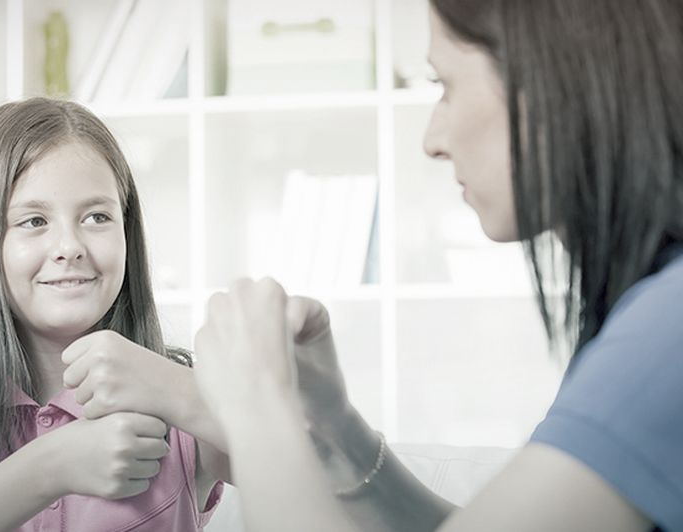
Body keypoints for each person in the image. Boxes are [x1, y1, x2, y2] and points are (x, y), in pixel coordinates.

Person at [192, 1, 683, 531]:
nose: (432, 141)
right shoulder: (651, 312)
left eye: (444, 84)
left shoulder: (668, 328)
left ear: (554, 83)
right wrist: (337, 431)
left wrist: (258, 406)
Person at [0, 97, 229, 531]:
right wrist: (47, 467)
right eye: (33, 221)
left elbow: (331, 479)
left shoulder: (186, 404)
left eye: (97, 216)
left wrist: (179, 391)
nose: (70, 246)